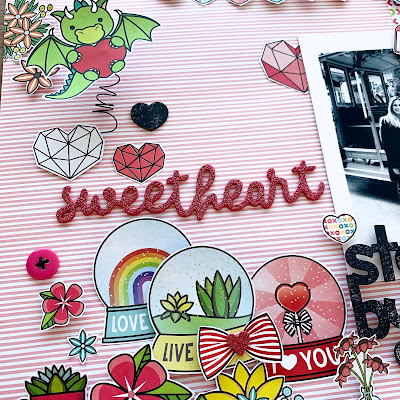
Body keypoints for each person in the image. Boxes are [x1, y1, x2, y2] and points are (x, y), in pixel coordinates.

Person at [379, 96, 400, 180]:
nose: (398, 107)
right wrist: (395, 165)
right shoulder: (386, 121)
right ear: (391, 107)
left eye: (399, 105)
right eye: (395, 105)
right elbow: (387, 145)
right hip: (397, 159)